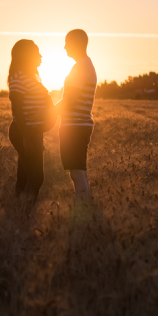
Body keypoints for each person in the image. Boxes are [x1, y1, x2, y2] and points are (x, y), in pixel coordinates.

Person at [8, 39, 55, 201]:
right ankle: (24, 210)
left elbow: (47, 100)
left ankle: (17, 212)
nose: (41, 56)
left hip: (32, 131)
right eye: (37, 52)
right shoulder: (18, 77)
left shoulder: (31, 77)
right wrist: (27, 138)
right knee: (36, 178)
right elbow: (17, 110)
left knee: (25, 176)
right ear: (27, 55)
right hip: (24, 132)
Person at [55, 29, 97, 210]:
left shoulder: (81, 67)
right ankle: (85, 204)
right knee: (79, 169)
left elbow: (70, 98)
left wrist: (49, 113)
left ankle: (82, 207)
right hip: (79, 124)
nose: (64, 47)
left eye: (67, 42)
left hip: (75, 126)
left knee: (77, 170)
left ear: (76, 43)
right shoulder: (85, 65)